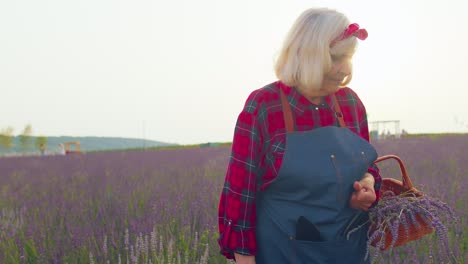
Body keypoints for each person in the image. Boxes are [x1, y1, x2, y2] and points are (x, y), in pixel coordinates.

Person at [218, 8, 382, 264]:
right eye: (337, 58)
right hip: (282, 254)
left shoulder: (350, 104)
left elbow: (366, 167)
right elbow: (240, 198)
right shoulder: (264, 106)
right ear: (307, 56)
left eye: (349, 57)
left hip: (347, 253)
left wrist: (367, 185)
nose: (344, 69)